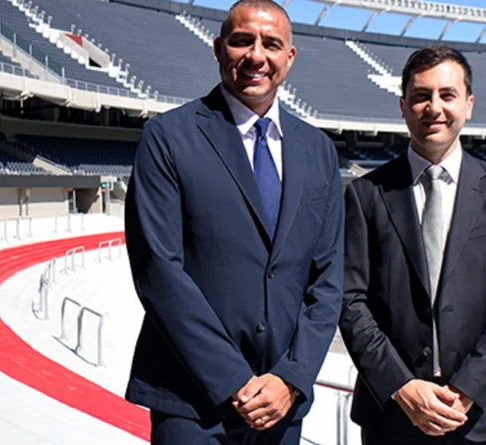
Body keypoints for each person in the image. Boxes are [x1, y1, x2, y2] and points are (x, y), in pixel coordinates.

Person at [123, 0, 344, 443]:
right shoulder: (169, 136)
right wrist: (234, 380)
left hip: (282, 404)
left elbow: (327, 280)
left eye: (271, 44)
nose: (256, 56)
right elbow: (158, 271)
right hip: (191, 401)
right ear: (219, 48)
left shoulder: (318, 150)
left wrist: (291, 378)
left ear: (289, 57)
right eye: (243, 41)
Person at [339, 45, 486, 445]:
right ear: (403, 106)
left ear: (469, 105)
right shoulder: (365, 195)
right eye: (421, 96)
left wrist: (468, 389)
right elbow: (349, 300)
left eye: (447, 95)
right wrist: (401, 386)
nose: (434, 107)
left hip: (474, 418)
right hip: (390, 416)